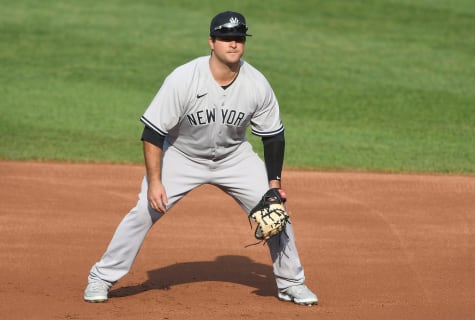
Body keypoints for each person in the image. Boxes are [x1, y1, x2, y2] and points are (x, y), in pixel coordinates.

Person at [84, 11, 318, 306]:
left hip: (234, 158)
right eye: (225, 38)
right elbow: (152, 133)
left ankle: (292, 283)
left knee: (274, 214)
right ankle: (101, 277)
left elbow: (273, 136)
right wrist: (155, 182)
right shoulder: (183, 79)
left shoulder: (257, 84)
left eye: (238, 38)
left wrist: (274, 186)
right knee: (144, 210)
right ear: (211, 41)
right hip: (182, 155)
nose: (233, 44)